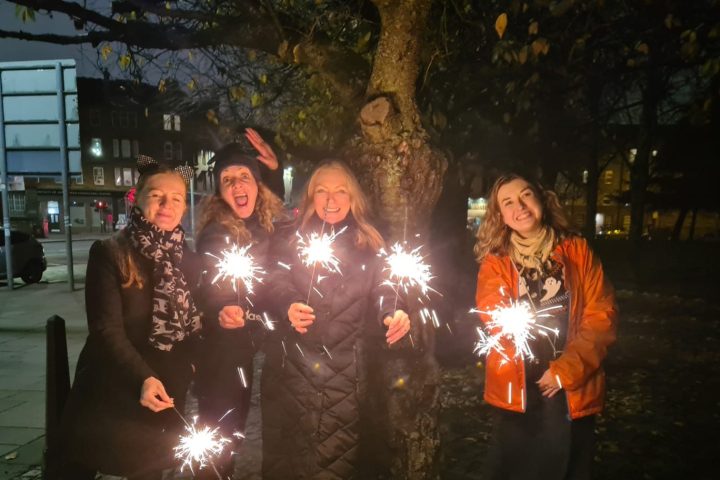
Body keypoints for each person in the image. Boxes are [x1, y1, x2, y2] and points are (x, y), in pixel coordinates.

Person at [260, 160, 412, 479]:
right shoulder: (290, 236)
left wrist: (394, 311)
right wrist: (288, 304)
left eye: (340, 191)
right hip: (290, 376)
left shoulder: (369, 244)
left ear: (353, 198)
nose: (331, 199)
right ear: (310, 197)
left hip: (343, 379)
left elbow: (387, 284)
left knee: (335, 463)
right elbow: (274, 277)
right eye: (322, 190)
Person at [58, 162, 201, 480]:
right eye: (157, 195)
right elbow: (105, 328)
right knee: (85, 465)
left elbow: (194, 320)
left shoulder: (185, 257)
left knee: (149, 469)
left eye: (176, 198)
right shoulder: (110, 253)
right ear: (137, 199)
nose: (167, 205)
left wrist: (189, 364)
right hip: (115, 384)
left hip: (163, 390)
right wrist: (143, 378)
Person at [474, 173, 618, 480]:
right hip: (519, 391)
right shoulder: (496, 262)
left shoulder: (577, 252)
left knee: (565, 467)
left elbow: (601, 317)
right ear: (499, 215)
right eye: (508, 202)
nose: (520, 207)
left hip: (569, 386)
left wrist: (565, 371)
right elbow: (492, 314)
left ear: (541, 198)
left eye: (526, 196)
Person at [192, 130, 286, 477]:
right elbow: (210, 275)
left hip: (248, 341)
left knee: (233, 429)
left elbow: (274, 224)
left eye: (244, 177)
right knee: (219, 432)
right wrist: (220, 308)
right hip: (222, 350)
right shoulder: (217, 230)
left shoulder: (261, 220)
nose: (236, 186)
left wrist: (273, 172)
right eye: (227, 180)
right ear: (219, 192)